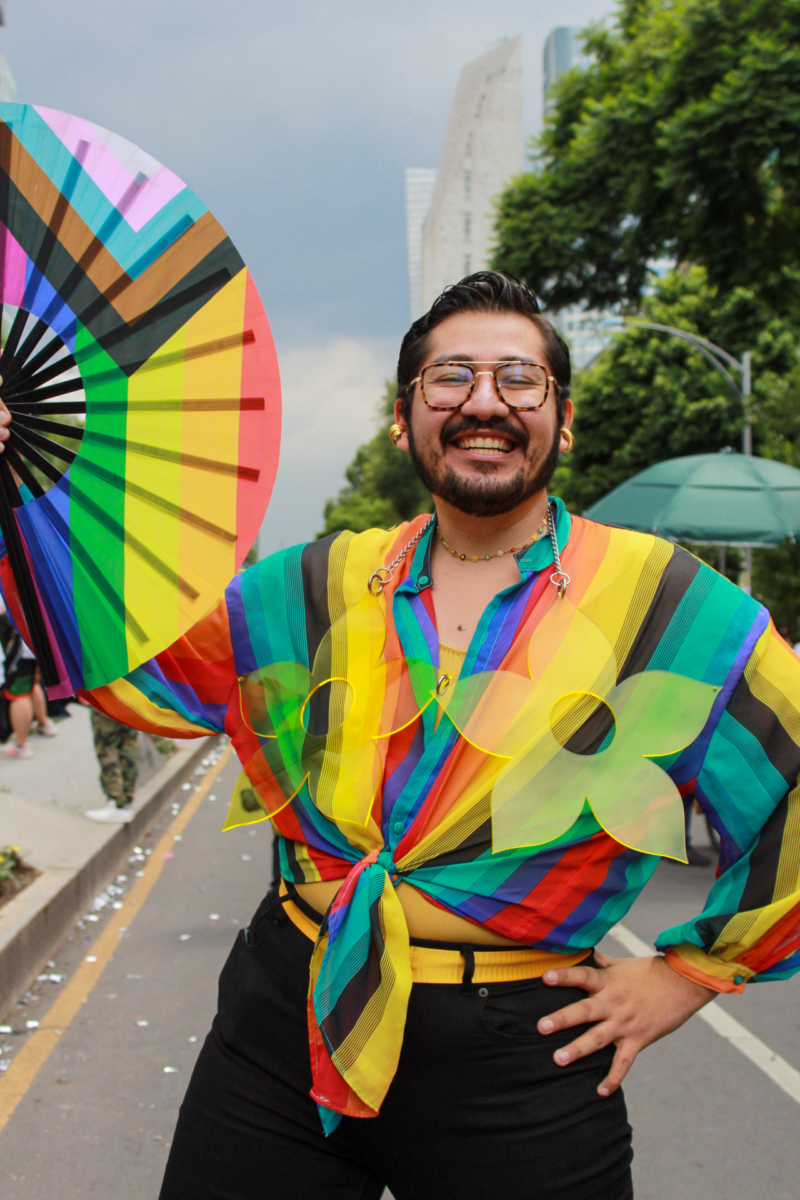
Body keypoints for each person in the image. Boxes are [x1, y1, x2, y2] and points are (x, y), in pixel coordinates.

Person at [2, 272, 800, 1200]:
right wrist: (25, 486)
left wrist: (691, 975)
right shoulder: (321, 583)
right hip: (285, 1019)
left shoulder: (662, 601)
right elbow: (128, 648)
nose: (485, 403)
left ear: (562, 417)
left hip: (523, 1062)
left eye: (519, 380)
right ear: (406, 416)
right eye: (451, 378)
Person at [84, 705, 139, 824]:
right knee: (128, 743)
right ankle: (126, 801)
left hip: (105, 692)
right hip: (132, 694)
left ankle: (116, 800)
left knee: (106, 746)